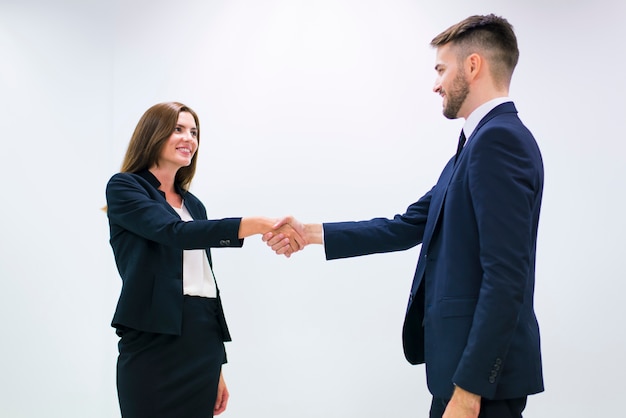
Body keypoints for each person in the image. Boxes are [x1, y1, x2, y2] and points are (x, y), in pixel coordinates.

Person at [264, 14, 544, 418]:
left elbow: (506, 277)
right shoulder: (474, 146)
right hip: (458, 375)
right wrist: (308, 233)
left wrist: (469, 392)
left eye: (441, 70)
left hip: (479, 385)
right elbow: (405, 225)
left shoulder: (498, 142)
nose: (436, 85)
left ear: (473, 65)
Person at [105, 101, 303, 417]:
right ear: (153, 134)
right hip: (152, 341)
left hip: (201, 342)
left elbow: (205, 283)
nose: (190, 139)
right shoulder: (125, 187)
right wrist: (257, 225)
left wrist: (218, 366)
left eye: (194, 132)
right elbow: (173, 232)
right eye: (178, 129)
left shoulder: (193, 205)